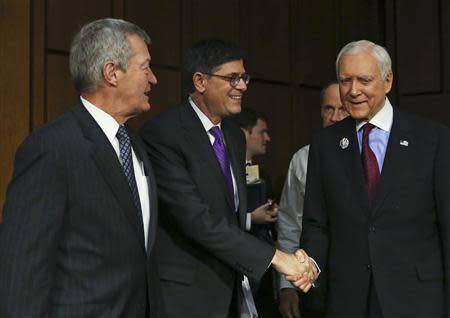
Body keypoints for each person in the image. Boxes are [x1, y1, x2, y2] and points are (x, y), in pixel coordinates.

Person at [0, 18, 162, 317]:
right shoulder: (52, 148)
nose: (153, 79)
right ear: (111, 73)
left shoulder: (135, 145)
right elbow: (21, 272)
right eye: (145, 67)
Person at [140, 39, 312, 318]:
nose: (242, 86)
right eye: (232, 78)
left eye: (244, 77)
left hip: (232, 290)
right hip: (186, 297)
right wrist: (277, 259)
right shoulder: (164, 135)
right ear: (200, 81)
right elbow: (198, 220)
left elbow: (230, 214)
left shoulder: (232, 134)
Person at [296, 40, 450, 318]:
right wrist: (311, 264)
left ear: (387, 81)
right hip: (348, 300)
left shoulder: (433, 140)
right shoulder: (325, 144)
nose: (353, 91)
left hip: (417, 300)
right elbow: (316, 223)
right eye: (345, 81)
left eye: (364, 80)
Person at [277, 82, 348, 318]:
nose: (335, 117)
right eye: (329, 109)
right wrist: (286, 287)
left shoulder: (371, 157)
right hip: (314, 283)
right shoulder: (302, 159)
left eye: (343, 109)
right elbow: (289, 223)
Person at [230, 107, 279, 317]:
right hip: (240, 262)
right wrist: (252, 218)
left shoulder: (263, 173)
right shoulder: (228, 171)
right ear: (244, 133)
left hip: (266, 264)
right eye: (262, 132)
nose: (267, 138)